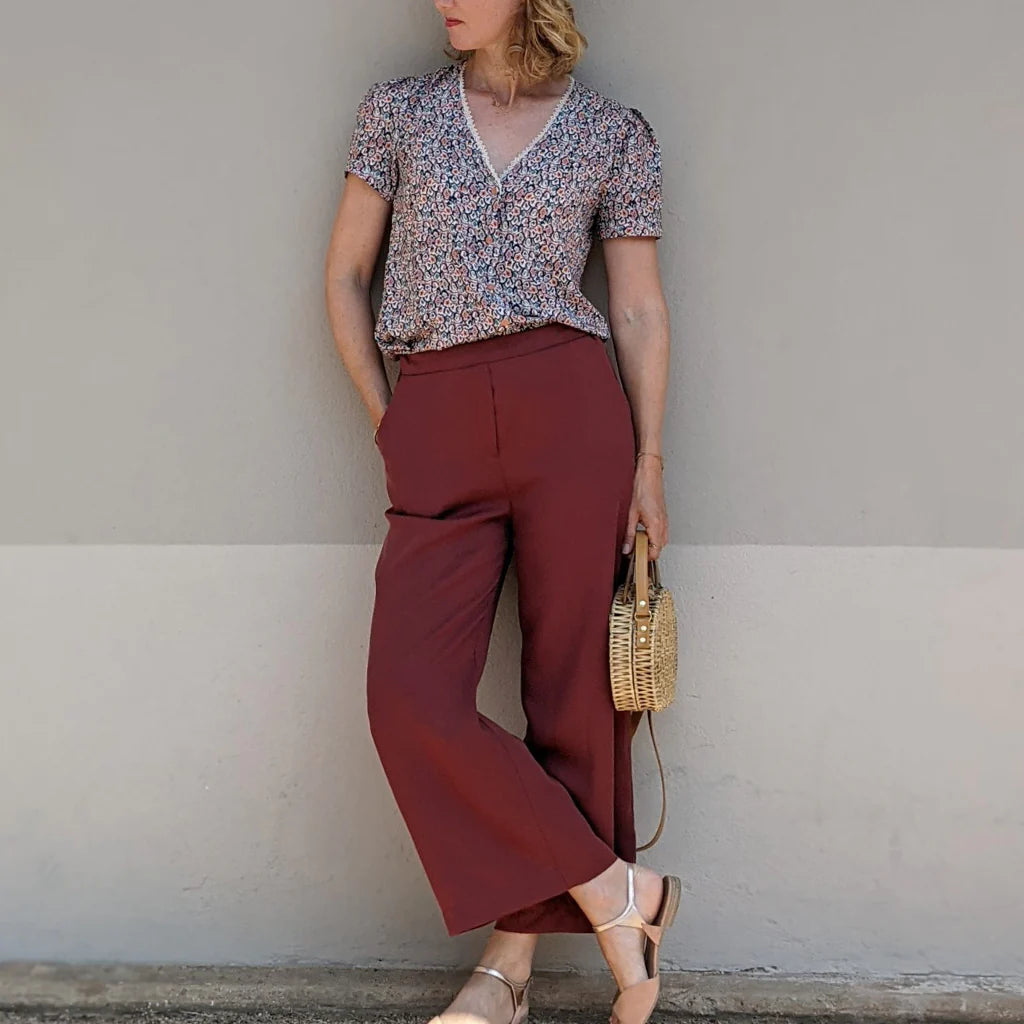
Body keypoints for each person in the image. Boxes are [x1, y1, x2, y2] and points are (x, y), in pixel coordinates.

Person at [324, 3, 678, 1023]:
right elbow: (345, 277)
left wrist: (649, 460)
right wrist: (391, 419)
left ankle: (506, 975)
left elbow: (637, 306)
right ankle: (620, 893)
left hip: (570, 409)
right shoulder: (397, 113)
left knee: (577, 697)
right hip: (433, 409)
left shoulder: (614, 133)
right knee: (409, 699)